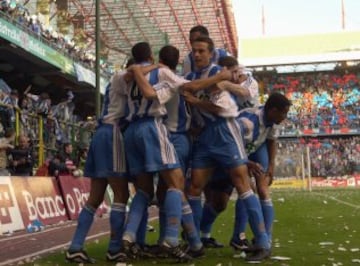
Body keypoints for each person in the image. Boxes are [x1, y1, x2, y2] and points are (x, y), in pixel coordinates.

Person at [182, 35, 271, 262]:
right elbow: (187, 88)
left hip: (225, 131)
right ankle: (195, 242)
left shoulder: (217, 72)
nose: (198, 54)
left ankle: (262, 241)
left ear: (211, 54)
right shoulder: (196, 76)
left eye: (202, 50)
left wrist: (199, 98)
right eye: (195, 51)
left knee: (242, 184)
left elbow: (220, 107)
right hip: (204, 136)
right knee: (194, 187)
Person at [65, 67, 131, 264]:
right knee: (122, 194)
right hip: (112, 134)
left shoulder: (113, 84)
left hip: (100, 135)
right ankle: (114, 248)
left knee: (95, 197)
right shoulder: (124, 79)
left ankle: (75, 247)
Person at [199, 56, 260, 248]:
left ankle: (246, 237)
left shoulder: (246, 82)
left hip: (245, 140)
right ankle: (198, 235)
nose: (237, 74)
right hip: (218, 139)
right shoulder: (211, 81)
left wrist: (225, 82)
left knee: (248, 187)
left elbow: (246, 93)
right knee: (218, 201)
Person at [229, 92, 291, 261]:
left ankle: (265, 239)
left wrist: (271, 165)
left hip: (258, 147)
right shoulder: (248, 122)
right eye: (283, 113)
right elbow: (233, 144)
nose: (284, 117)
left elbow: (271, 141)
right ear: (272, 110)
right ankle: (241, 236)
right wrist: (246, 163)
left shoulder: (274, 121)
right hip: (240, 151)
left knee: (263, 189)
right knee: (247, 188)